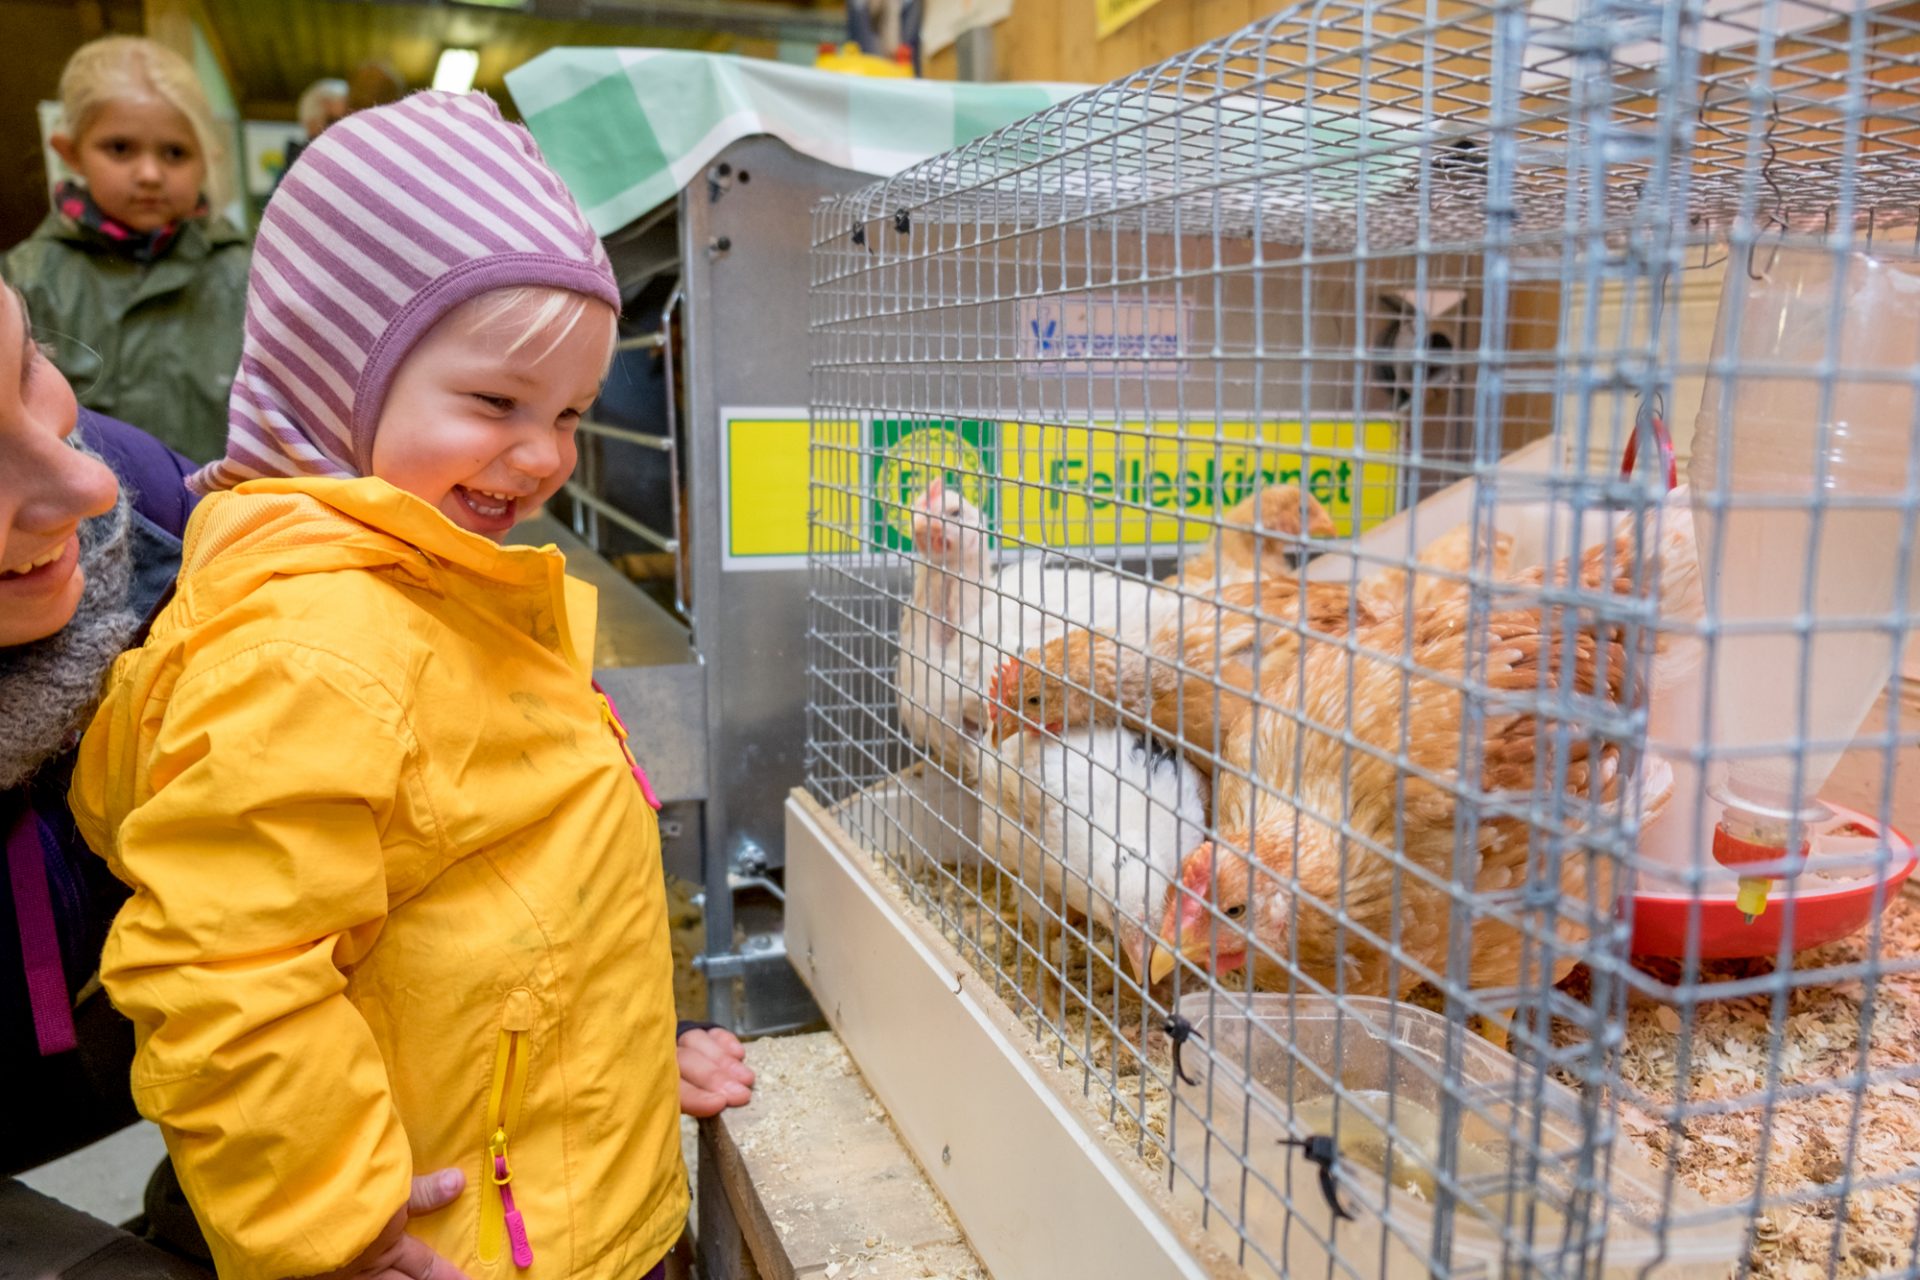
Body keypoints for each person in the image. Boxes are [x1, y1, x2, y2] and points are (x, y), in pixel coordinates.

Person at [70, 91, 752, 1280]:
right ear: (337, 374)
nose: (543, 453)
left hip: (558, 1201)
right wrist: (326, 1224)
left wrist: (636, 1057)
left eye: (571, 414)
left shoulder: (444, 581)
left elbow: (500, 906)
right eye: (496, 403)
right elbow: (224, 974)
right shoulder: (311, 645)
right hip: (461, 1248)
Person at [2, 36, 249, 465]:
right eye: (120, 148)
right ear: (71, 152)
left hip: (229, 518)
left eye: (175, 153)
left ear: (207, 159)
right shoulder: (25, 279)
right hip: (81, 523)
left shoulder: (250, 274)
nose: (150, 174)